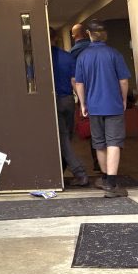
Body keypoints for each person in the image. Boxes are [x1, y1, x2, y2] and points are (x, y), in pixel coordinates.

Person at [73, 19, 131, 199]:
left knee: (99, 143)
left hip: (94, 106)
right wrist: (123, 99)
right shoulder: (114, 54)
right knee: (114, 142)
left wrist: (82, 103)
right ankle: (111, 184)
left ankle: (105, 178)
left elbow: (79, 83)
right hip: (113, 104)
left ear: (89, 35)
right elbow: (123, 80)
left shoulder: (83, 56)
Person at [51, 33, 88, 187]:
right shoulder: (68, 57)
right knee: (66, 137)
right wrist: (82, 102)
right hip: (68, 101)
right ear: (56, 38)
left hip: (54, 101)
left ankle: (80, 173)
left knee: (63, 140)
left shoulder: (42, 56)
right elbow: (75, 81)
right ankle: (59, 171)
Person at [69, 22, 102, 177]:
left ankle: (98, 163)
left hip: (87, 94)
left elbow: (75, 79)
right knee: (108, 132)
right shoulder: (98, 49)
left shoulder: (74, 53)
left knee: (93, 131)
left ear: (75, 35)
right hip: (103, 93)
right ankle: (108, 169)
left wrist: (81, 100)